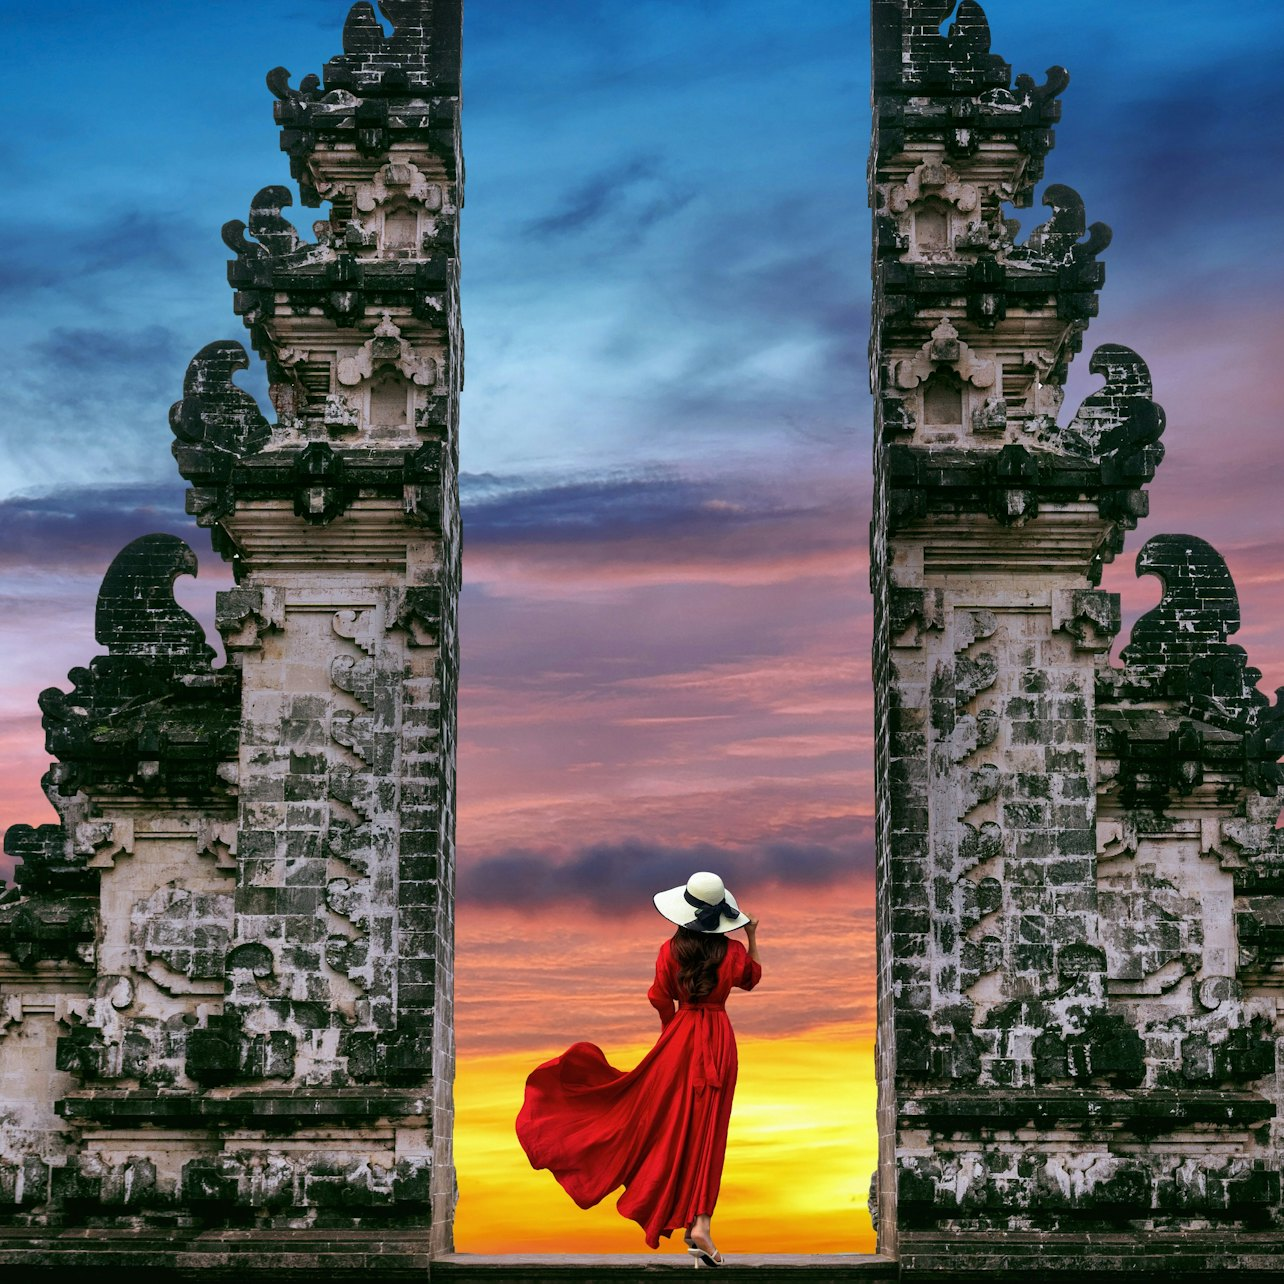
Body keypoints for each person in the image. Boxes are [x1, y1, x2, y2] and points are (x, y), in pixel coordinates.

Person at [515, 871, 762, 1268]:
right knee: (707, 1136)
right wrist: (753, 937)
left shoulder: (669, 951)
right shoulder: (732, 953)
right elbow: (752, 978)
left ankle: (693, 1228)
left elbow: (661, 998)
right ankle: (700, 1224)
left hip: (679, 1039)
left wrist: (671, 1039)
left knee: (668, 1127)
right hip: (718, 1042)